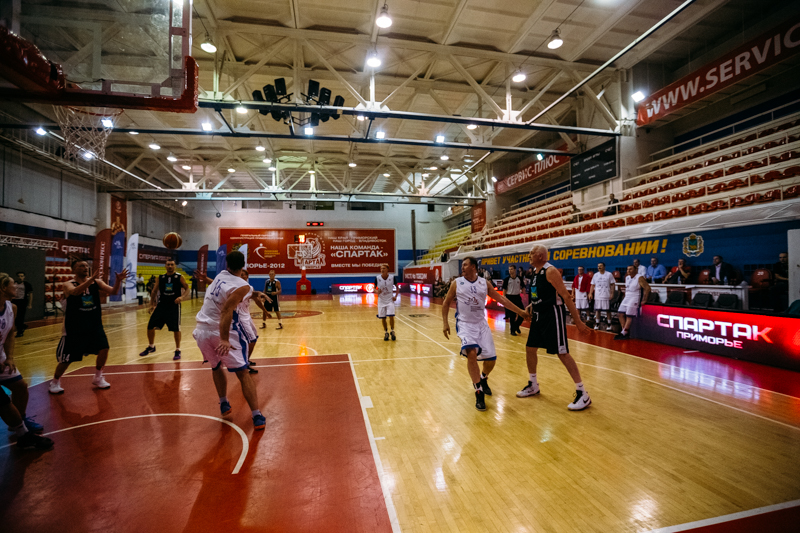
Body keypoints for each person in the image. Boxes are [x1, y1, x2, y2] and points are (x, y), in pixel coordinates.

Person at [442, 257, 529, 412]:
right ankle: (478, 392)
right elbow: (446, 302)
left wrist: (520, 311)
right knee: (471, 353)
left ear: (473, 267)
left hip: (481, 324)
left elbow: (502, 299)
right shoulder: (457, 283)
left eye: (465, 264)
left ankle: (483, 378)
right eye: (462, 265)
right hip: (465, 324)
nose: (462, 267)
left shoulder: (484, 283)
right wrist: (445, 323)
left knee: (491, 360)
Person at [192, 251, 266, 430]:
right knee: (243, 373)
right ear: (243, 265)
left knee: (216, 366)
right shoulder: (243, 286)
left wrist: (255, 293)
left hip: (201, 330)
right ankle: (256, 415)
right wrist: (224, 339)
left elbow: (227, 287)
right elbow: (226, 310)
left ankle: (224, 402)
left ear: (227, 264)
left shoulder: (220, 276)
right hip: (220, 331)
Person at [516, 245, 594, 411]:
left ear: (541, 256)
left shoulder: (550, 271)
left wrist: (577, 321)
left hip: (552, 316)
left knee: (562, 352)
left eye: (532, 253)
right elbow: (541, 295)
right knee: (530, 348)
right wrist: (531, 305)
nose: (529, 255)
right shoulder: (535, 272)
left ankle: (583, 393)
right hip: (538, 316)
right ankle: (533, 384)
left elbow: (566, 296)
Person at [49, 261, 128, 394]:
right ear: (74, 269)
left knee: (104, 348)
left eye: (86, 266)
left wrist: (118, 281)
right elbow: (75, 292)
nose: (85, 268)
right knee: (67, 359)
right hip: (75, 327)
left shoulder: (96, 282)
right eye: (81, 266)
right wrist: (90, 280)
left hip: (94, 324)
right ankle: (55, 381)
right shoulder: (68, 284)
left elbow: (113, 292)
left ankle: (98, 377)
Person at [1, 274, 53, 450]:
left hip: (1, 359)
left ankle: (20, 421)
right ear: (3, 288)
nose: (16, 287)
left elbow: (10, 333)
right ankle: (22, 433)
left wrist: (9, 357)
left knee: (21, 387)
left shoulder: (11, 307)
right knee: (3, 402)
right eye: (12, 285)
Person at [139, 260, 188, 360]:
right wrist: (151, 304)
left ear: (175, 266)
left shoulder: (179, 277)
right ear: (165, 266)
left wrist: (182, 297)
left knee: (176, 329)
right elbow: (154, 291)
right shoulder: (160, 277)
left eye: (172, 264)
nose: (170, 266)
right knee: (150, 326)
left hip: (174, 306)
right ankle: (151, 346)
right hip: (161, 305)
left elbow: (187, 289)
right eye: (168, 264)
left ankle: (178, 350)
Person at [614, 265, 651, 340]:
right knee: (620, 313)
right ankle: (624, 331)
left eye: (630, 269)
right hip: (627, 297)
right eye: (627, 269)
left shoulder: (639, 277)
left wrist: (644, 299)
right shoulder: (627, 277)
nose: (628, 270)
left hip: (634, 297)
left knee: (629, 315)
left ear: (635, 270)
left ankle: (624, 333)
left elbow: (647, 288)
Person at [589, 262, 615, 330]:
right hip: (598, 295)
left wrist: (612, 293)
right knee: (598, 310)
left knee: (608, 310)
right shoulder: (595, 275)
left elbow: (612, 284)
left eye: (600, 266)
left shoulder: (609, 274)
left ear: (604, 267)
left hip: (606, 295)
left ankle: (609, 324)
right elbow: (592, 285)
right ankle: (597, 323)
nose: (599, 267)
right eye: (598, 266)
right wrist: (590, 293)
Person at [375, 264, 398, 340]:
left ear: (387, 269)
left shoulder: (392, 277)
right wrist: (376, 291)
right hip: (381, 301)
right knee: (383, 318)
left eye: (384, 268)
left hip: (390, 300)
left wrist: (395, 296)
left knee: (391, 316)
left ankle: (392, 331)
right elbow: (374, 288)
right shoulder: (377, 278)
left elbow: (397, 288)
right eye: (381, 268)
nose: (382, 270)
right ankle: (386, 333)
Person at [503, 265, 525, 336]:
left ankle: (516, 326)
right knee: (512, 315)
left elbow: (523, 286)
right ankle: (512, 330)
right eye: (509, 269)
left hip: (517, 297)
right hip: (509, 298)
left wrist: (523, 293)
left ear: (515, 270)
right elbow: (504, 289)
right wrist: (504, 298)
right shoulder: (506, 279)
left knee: (522, 313)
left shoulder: (519, 278)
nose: (510, 271)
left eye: (511, 269)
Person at [12, 272, 33, 337]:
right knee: (14, 317)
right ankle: (22, 326)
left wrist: (29, 304)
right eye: (19, 276)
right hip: (14, 301)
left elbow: (30, 294)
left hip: (22, 302)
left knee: (20, 316)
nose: (20, 277)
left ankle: (20, 331)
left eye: (21, 276)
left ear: (24, 277)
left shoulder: (27, 284)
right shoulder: (13, 284)